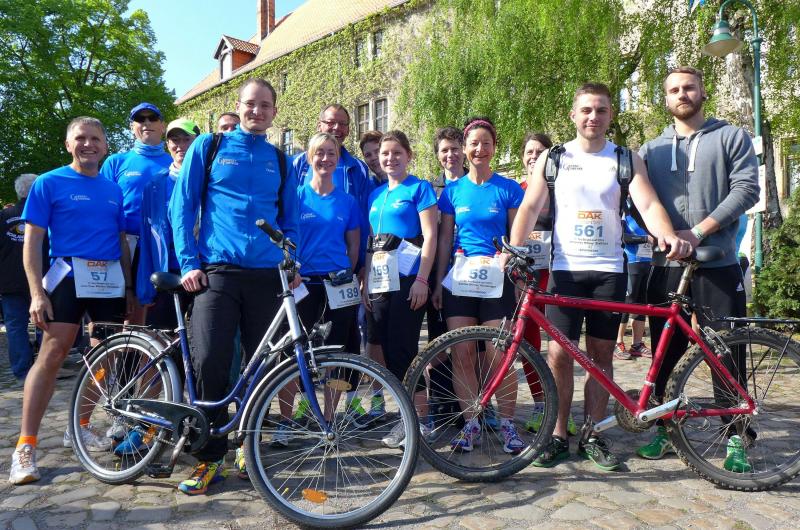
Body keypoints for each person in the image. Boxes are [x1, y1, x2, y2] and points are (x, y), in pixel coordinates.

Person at [509, 82, 690, 471]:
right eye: (587, 110)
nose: (593, 117)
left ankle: (592, 433)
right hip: (565, 271)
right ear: (573, 115)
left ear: (610, 115)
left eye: (601, 110)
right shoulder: (554, 158)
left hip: (609, 272)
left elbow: (648, 204)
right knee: (558, 355)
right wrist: (514, 248)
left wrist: (667, 234)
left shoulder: (625, 159)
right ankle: (559, 434)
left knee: (601, 356)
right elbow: (529, 207)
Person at [169, 77, 299, 495]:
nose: (256, 111)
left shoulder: (279, 160)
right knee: (210, 360)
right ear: (238, 106)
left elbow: (291, 218)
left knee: (259, 368)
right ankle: (208, 458)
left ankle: (246, 444)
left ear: (274, 112)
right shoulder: (209, 147)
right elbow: (182, 206)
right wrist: (189, 263)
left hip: (265, 275)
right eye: (250, 104)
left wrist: (290, 259)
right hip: (217, 272)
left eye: (265, 105)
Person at [636, 67, 759, 470]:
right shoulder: (650, 150)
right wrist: (659, 235)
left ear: (703, 92)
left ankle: (735, 435)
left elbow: (747, 190)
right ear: (665, 99)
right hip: (667, 264)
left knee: (726, 349)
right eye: (673, 89)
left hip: (718, 262)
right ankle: (664, 427)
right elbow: (636, 200)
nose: (682, 94)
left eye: (689, 87)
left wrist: (699, 231)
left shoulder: (731, 137)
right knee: (664, 352)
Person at [9, 117, 132, 485]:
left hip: (108, 279)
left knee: (107, 355)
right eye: (81, 138)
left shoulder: (113, 189)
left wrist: (128, 287)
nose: (88, 144)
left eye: (95, 138)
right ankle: (25, 446)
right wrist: (36, 293)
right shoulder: (49, 182)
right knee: (53, 354)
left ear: (105, 146)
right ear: (68, 144)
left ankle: (78, 425)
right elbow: (32, 242)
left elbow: (121, 241)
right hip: (66, 277)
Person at [431, 117, 526, 454]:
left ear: (494, 147)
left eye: (486, 143)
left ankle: (508, 424)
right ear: (465, 148)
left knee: (498, 356)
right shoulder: (452, 192)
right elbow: (445, 240)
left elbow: (517, 238)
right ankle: (471, 423)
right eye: (474, 143)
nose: (479, 149)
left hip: (497, 280)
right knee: (463, 354)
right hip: (460, 280)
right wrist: (438, 283)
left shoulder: (508, 189)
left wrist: (515, 273)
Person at [281, 132, 362, 438]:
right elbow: (284, 240)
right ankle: (286, 422)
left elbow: (354, 245)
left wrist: (345, 274)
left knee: (335, 355)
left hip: (338, 285)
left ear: (338, 159)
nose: (325, 159)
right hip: (302, 283)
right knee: (294, 353)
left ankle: (328, 421)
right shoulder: (296, 196)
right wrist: (291, 269)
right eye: (320, 153)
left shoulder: (348, 201)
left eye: (331, 153)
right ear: (309, 157)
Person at [363, 130, 437, 448]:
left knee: (404, 349)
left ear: (408, 155)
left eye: (397, 152)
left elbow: (431, 237)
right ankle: (405, 417)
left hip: (409, 278)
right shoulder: (376, 195)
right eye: (385, 153)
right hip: (380, 280)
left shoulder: (420, 188)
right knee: (385, 351)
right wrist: (366, 281)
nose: (390, 158)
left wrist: (422, 279)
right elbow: (372, 242)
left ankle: (422, 420)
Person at [515, 133, 579, 436]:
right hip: (528, 278)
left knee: (561, 346)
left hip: (557, 275)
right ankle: (541, 404)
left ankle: (563, 409)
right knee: (529, 344)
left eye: (539, 151)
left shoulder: (563, 189)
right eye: (529, 152)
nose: (533, 157)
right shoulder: (518, 191)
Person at [100, 102, 171, 325]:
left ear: (163, 125)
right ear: (133, 127)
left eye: (152, 118)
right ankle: (114, 348)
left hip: (159, 245)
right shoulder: (116, 162)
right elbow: (102, 206)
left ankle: (140, 348)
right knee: (112, 312)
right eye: (140, 119)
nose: (147, 123)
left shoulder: (176, 161)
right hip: (122, 243)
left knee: (149, 312)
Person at [138, 118, 201, 329]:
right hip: (167, 269)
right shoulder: (155, 184)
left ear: (197, 142)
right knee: (162, 336)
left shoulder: (211, 180)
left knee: (203, 338)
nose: (180, 145)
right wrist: (145, 287)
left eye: (186, 139)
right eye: (175, 140)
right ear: (167, 144)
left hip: (203, 268)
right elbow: (147, 237)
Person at [0, 174, 38, 383]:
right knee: (45, 324)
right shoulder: (43, 215)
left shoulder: (3, 216)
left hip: (9, 280)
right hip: (41, 278)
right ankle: (44, 367)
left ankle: (22, 371)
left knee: (15, 327)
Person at [613, 213, 653, 360]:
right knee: (627, 302)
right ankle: (618, 342)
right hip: (631, 261)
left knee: (641, 303)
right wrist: (646, 239)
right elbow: (623, 237)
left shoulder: (650, 213)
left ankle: (637, 344)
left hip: (648, 262)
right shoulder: (626, 212)